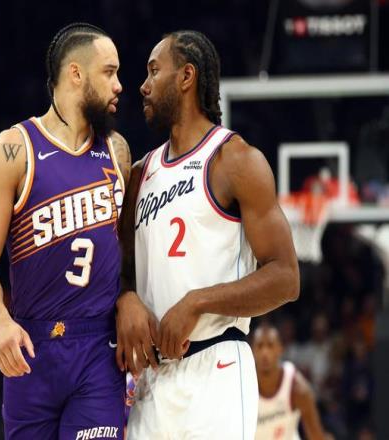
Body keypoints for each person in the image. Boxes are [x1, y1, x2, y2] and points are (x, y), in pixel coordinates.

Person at [116, 30, 300, 439]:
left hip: (218, 366)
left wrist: (197, 302)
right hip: (153, 379)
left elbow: (286, 278)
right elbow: (123, 271)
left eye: (153, 71)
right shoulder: (139, 175)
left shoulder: (235, 161)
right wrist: (125, 298)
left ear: (186, 76)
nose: (143, 86)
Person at [0, 22, 131, 439]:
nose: (119, 85)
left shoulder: (117, 151)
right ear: (76, 73)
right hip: (32, 345)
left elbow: (129, 250)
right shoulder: (14, 149)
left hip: (98, 349)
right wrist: (0, 323)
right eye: (109, 72)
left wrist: (130, 301)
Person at [252, 323, 327, 440]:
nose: (265, 352)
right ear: (252, 350)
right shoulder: (243, 385)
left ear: (280, 349)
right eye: (260, 346)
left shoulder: (296, 386)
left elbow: (316, 435)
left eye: (270, 345)